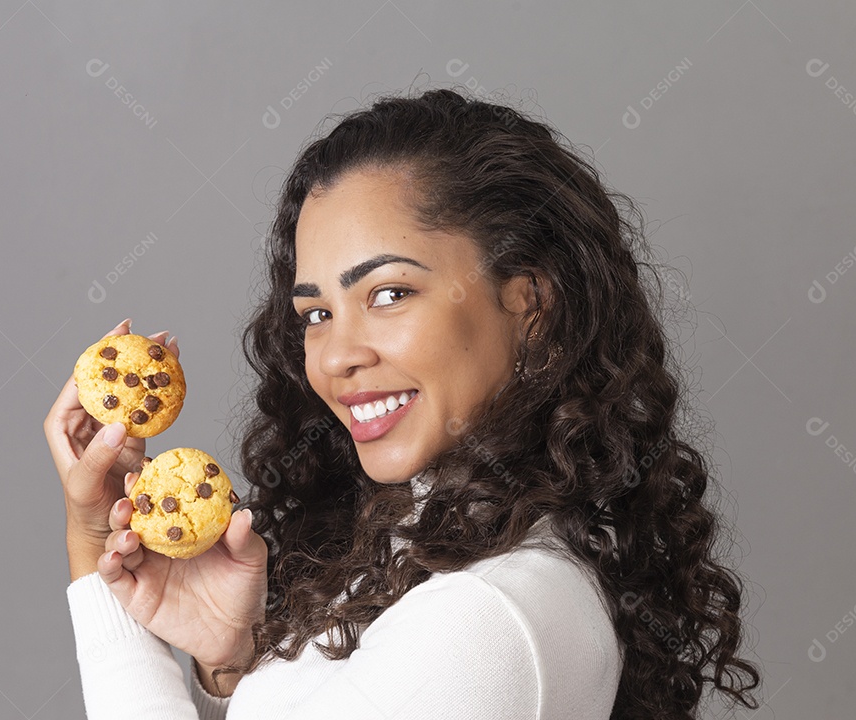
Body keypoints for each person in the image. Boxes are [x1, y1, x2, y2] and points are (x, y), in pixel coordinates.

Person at [44, 87, 762, 719]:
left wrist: (92, 556)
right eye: (316, 313)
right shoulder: (416, 555)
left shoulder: (486, 619)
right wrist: (229, 665)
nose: (334, 356)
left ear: (531, 305)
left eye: (389, 293)